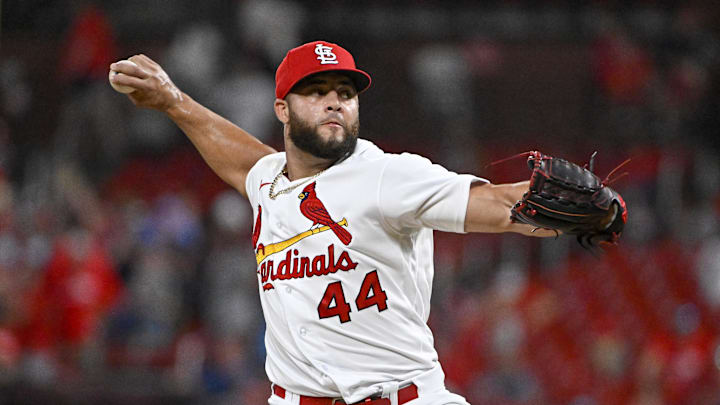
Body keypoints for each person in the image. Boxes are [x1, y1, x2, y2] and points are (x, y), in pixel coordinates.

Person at [110, 41, 558, 405]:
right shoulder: (269, 180)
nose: (334, 103)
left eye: (345, 93)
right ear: (283, 109)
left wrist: (587, 207)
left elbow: (496, 204)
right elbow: (242, 159)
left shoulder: (388, 175)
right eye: (316, 91)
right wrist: (173, 102)